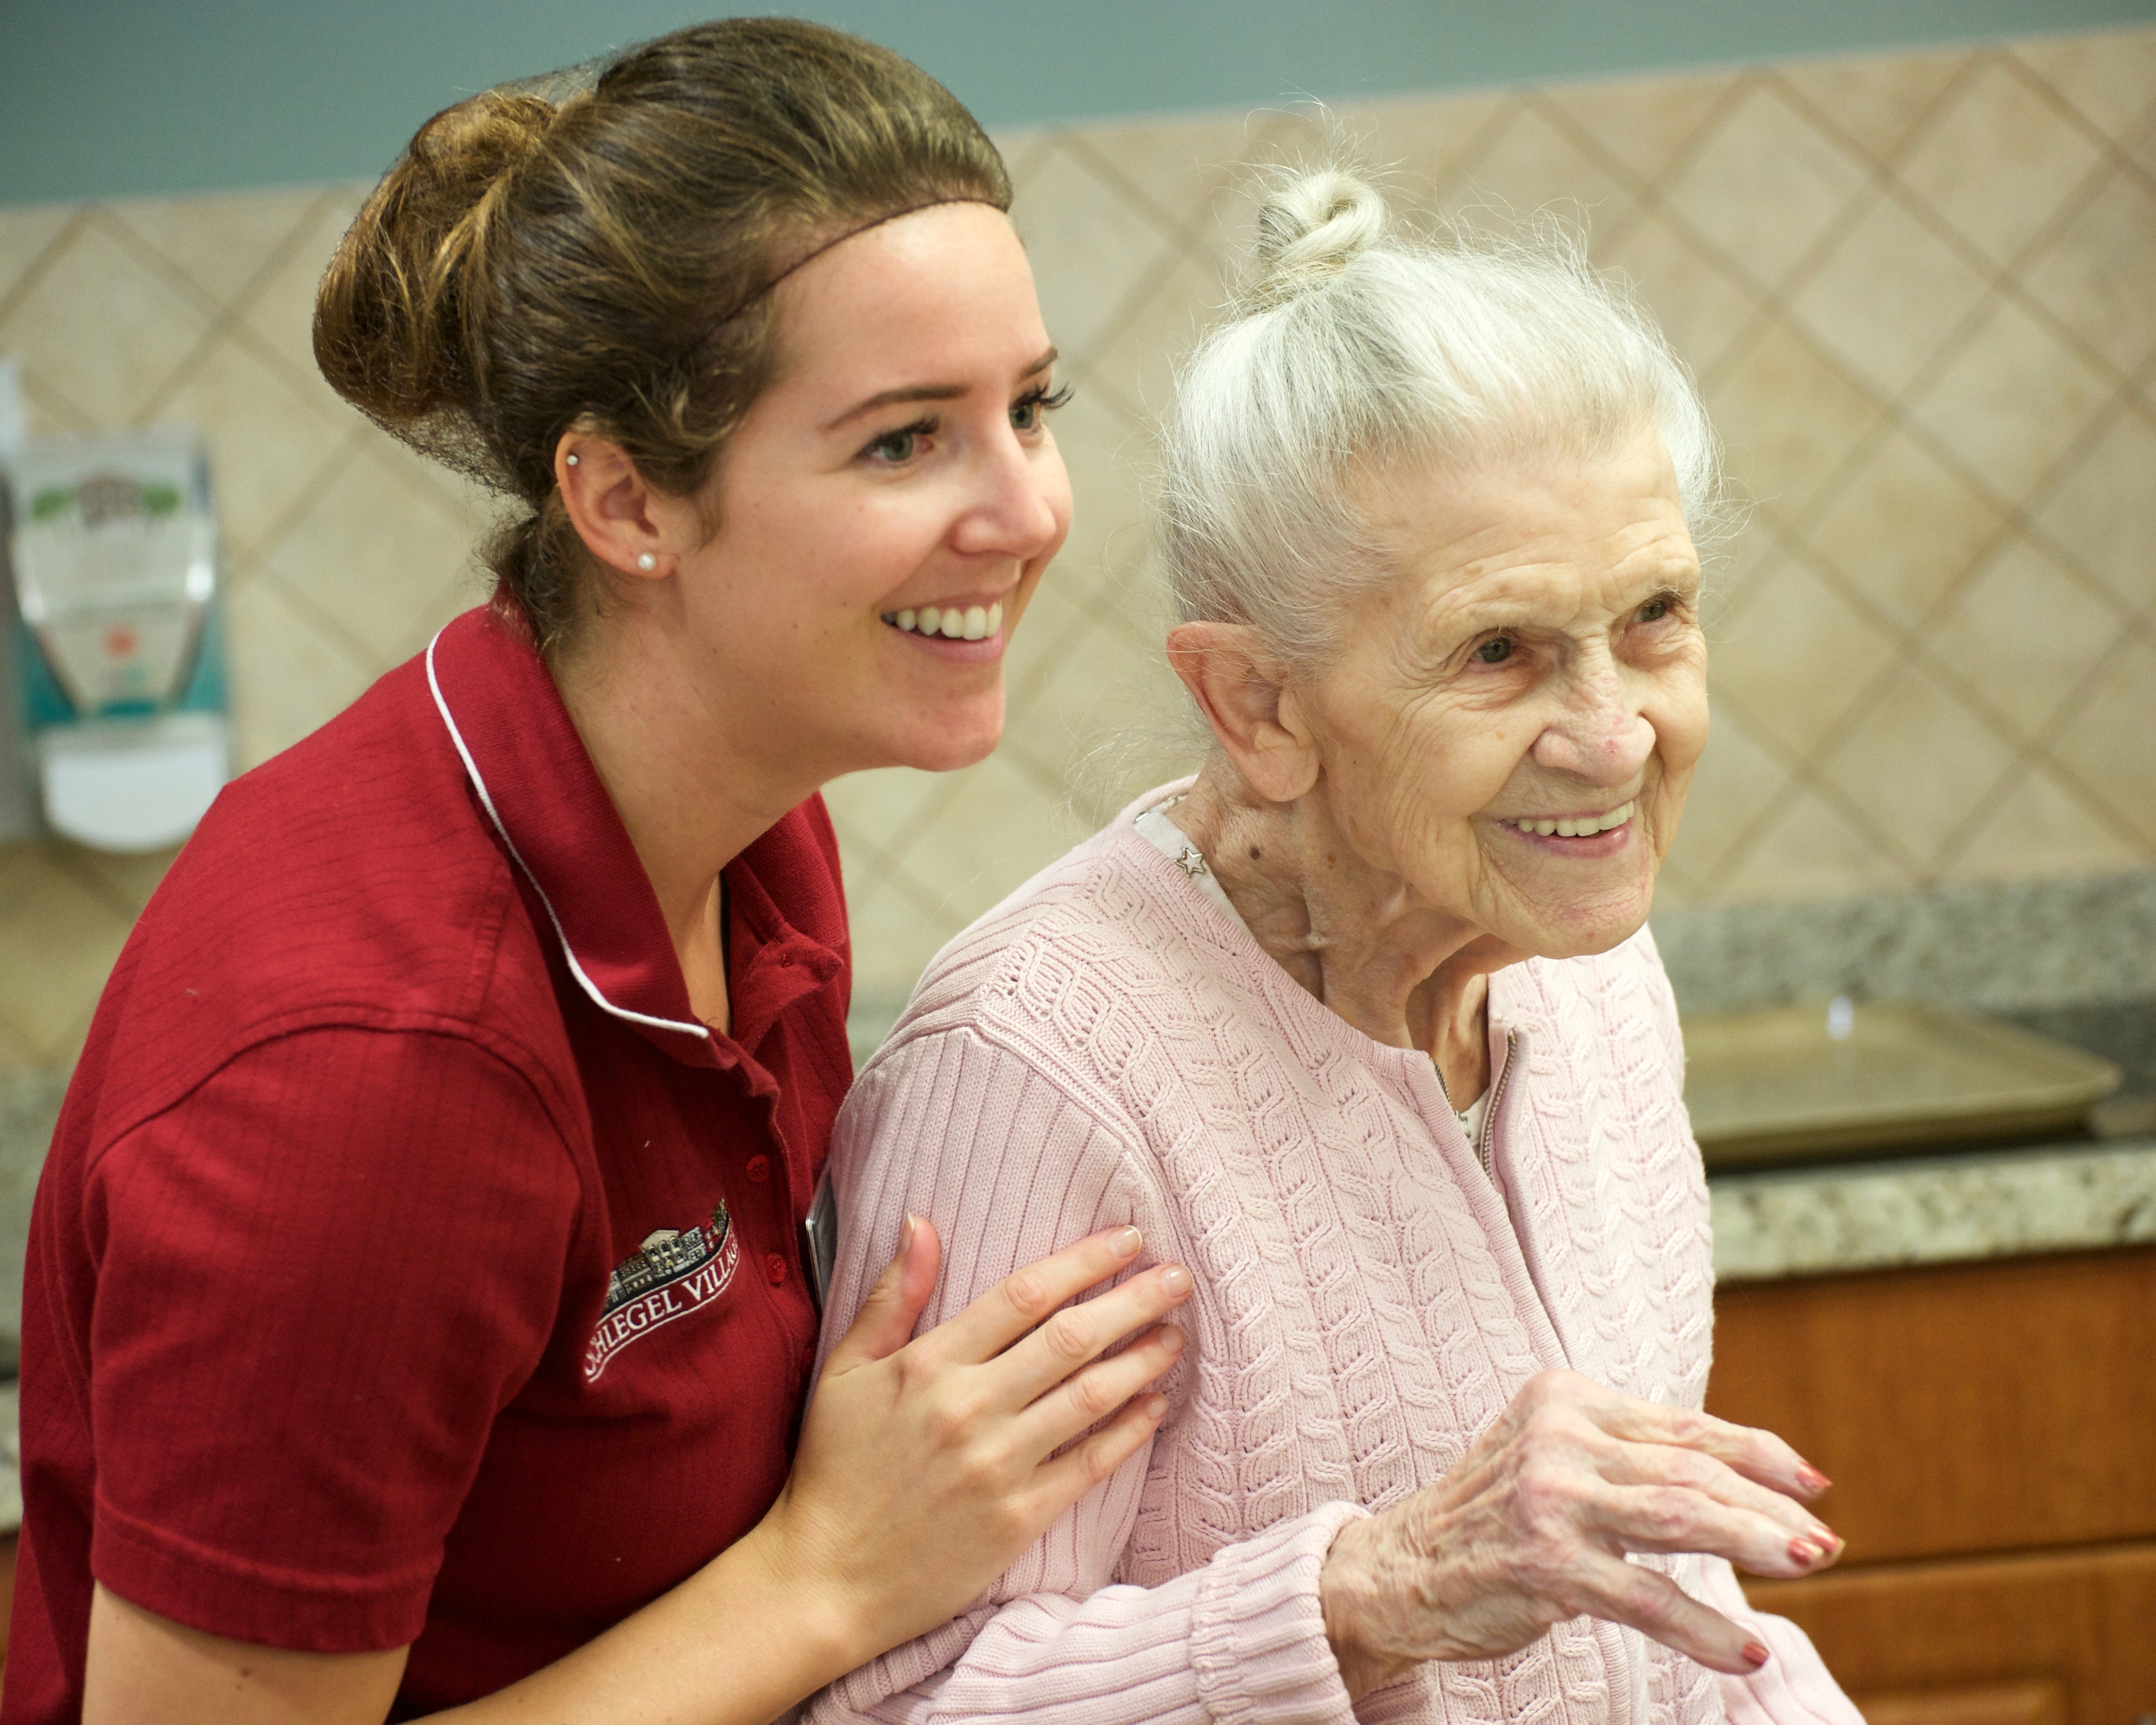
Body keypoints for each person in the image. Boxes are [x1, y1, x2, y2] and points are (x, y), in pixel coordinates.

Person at [5, 20, 1196, 1724]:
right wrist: (826, 1574)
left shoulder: (750, 841)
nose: (1025, 510)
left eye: (1029, 408)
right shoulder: (383, 1075)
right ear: (626, 500)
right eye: (902, 442)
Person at [807, 169, 1864, 1724]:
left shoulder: (1589, 980)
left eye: (1654, 616)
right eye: (1499, 652)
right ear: (1259, 707)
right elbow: (894, 1708)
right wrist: (1369, 1597)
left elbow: (1662, 1621)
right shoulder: (1040, 1069)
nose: (1612, 734)